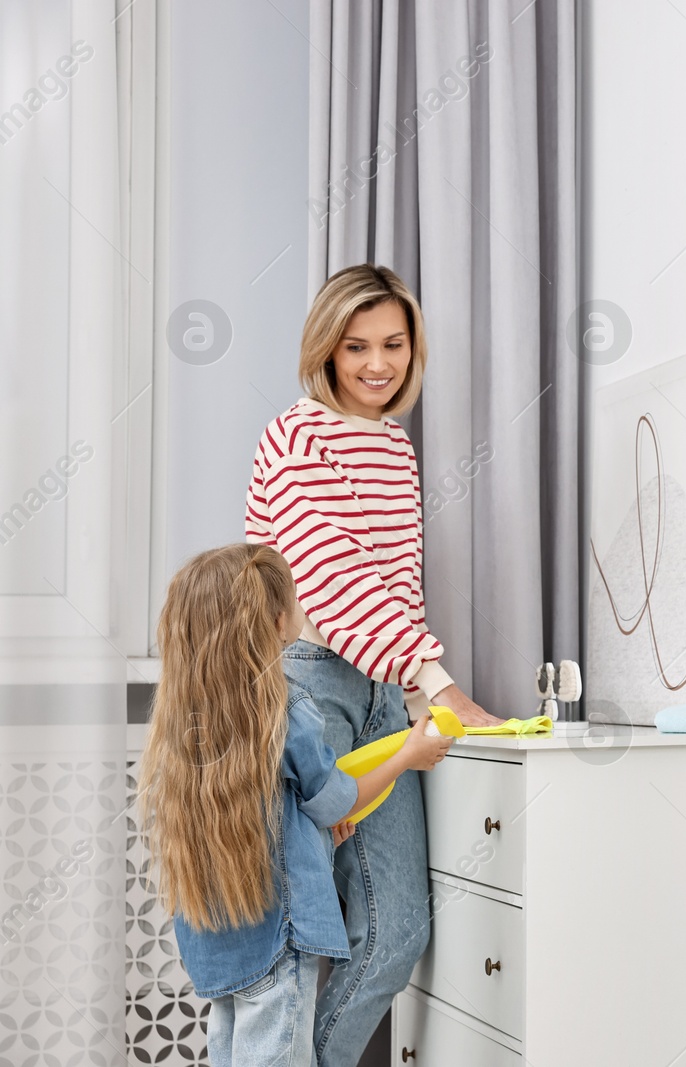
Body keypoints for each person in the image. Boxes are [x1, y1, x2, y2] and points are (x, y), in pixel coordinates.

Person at [244, 263, 501, 1062]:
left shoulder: (393, 445)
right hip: (306, 684)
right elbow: (335, 574)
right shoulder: (295, 435)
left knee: (395, 930)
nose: (377, 364)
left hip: (383, 688)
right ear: (326, 348)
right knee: (289, 946)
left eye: (393, 344)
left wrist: (414, 687)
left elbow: (396, 585)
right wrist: (442, 681)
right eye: (356, 346)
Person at [138, 543, 454, 1067]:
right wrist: (407, 755)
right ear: (278, 621)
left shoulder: (182, 722)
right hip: (280, 941)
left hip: (217, 945)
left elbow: (260, 814)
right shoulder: (285, 709)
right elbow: (338, 802)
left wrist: (310, 840)